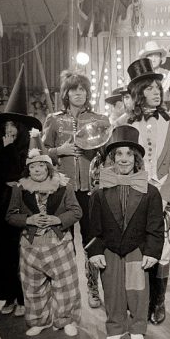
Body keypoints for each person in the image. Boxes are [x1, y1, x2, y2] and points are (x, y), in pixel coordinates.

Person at [87, 125, 164, 339]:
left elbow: (156, 227)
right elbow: (93, 228)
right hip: (109, 248)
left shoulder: (151, 192)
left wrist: (152, 251)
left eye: (129, 154)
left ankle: (138, 325)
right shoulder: (99, 193)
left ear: (137, 158)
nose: (124, 159)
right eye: (118, 154)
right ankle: (115, 326)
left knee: (138, 290)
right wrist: (94, 251)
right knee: (112, 290)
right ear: (111, 158)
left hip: (137, 249)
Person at [43, 71, 109, 309]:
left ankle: (93, 289)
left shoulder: (99, 120)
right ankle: (64, 289)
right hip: (63, 190)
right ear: (66, 93)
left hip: (90, 190)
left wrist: (98, 149)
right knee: (62, 241)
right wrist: (58, 152)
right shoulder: (54, 120)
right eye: (74, 89)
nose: (79, 93)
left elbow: (108, 155)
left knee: (92, 241)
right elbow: (39, 153)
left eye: (82, 89)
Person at [6, 134, 82, 336]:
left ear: (48, 167)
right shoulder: (20, 189)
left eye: (41, 165)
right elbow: (10, 216)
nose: (37, 170)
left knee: (66, 284)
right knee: (33, 287)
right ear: (27, 168)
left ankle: (66, 319)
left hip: (59, 244)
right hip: (31, 246)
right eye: (32, 166)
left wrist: (58, 220)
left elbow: (76, 212)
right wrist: (28, 220)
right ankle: (40, 320)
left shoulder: (64, 186)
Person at [126, 58, 170, 325]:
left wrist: (164, 197)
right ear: (138, 93)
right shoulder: (126, 122)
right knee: (138, 247)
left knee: (163, 249)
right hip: (136, 191)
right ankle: (141, 300)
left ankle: (158, 303)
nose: (156, 92)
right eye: (149, 88)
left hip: (163, 193)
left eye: (157, 87)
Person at [0, 72, 42, 319]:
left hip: (23, 210)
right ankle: (8, 296)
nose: (10, 131)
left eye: (14, 126)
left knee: (23, 255)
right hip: (0, 211)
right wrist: (4, 154)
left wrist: (14, 181)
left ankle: (24, 296)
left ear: (22, 128)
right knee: (2, 256)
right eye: (6, 127)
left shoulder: (31, 150)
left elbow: (29, 176)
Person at [138, 41, 170, 114]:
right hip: (143, 116)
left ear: (160, 58)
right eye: (150, 56)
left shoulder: (168, 75)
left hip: (163, 115)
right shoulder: (139, 76)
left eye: (156, 56)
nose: (153, 59)